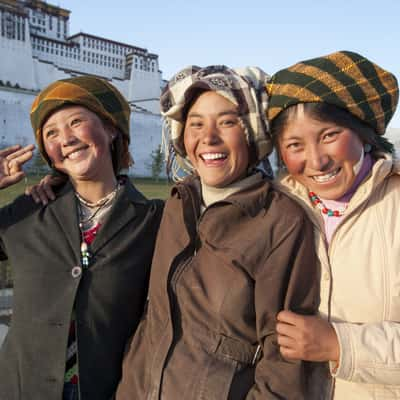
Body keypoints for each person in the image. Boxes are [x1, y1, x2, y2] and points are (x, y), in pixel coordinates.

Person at [115, 65, 320, 400]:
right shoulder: (178, 204)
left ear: (253, 132)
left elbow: (285, 360)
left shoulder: (279, 220)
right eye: (196, 124)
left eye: (227, 122)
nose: (208, 137)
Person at [0, 76, 163, 400]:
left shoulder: (153, 220)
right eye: (51, 133)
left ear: (111, 128)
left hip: (110, 390)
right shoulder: (29, 213)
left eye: (76, 122)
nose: (66, 139)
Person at [267, 50, 400, 399]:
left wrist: (340, 345)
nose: (316, 160)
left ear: (363, 133)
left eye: (329, 136)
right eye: (295, 144)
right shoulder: (273, 208)